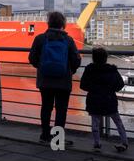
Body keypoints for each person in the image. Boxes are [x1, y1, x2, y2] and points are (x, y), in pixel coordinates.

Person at [29, 11, 81, 144]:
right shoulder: (68, 40)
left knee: (46, 107)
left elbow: (32, 58)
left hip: (45, 80)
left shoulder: (40, 39)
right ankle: (58, 140)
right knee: (61, 110)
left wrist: (42, 68)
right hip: (63, 81)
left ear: (49, 22)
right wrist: (70, 71)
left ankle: (45, 136)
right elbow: (76, 60)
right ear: (63, 24)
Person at [80, 47, 128, 152]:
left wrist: (93, 89)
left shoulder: (89, 69)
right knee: (118, 121)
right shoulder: (112, 70)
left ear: (93, 58)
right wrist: (110, 90)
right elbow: (120, 84)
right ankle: (124, 142)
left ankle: (97, 144)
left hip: (94, 99)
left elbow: (83, 85)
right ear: (106, 58)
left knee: (95, 122)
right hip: (109, 99)